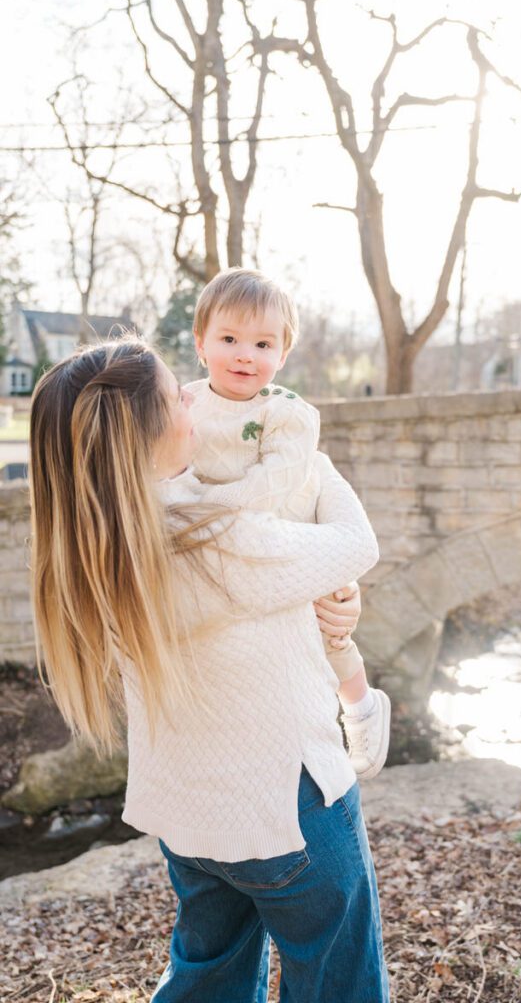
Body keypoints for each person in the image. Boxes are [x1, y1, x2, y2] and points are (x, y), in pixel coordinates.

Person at [29, 338, 391, 1002]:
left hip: (189, 818)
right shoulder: (210, 539)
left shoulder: (99, 542)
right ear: (146, 430)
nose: (193, 403)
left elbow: (287, 574)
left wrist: (320, 585)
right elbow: (354, 546)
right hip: (286, 811)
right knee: (336, 981)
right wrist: (307, 455)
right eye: (176, 396)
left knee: (209, 977)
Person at [185, 267, 391, 779]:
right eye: (229, 338)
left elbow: (271, 486)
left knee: (326, 630)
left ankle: (361, 705)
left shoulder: (288, 413)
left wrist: (205, 510)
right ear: (200, 343)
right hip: (227, 545)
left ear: (283, 353)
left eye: (262, 344)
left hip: (292, 536)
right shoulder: (182, 403)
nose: (245, 355)